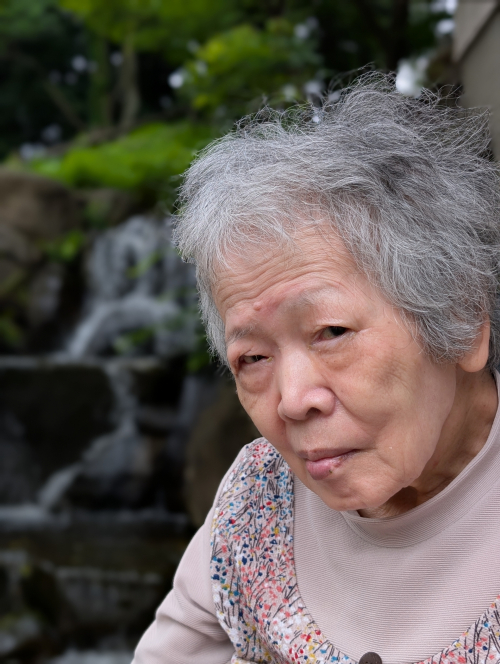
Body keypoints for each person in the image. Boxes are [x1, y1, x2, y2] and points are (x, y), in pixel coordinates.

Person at [132, 75, 500, 664]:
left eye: (331, 332)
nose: (292, 399)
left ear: (459, 318)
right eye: (253, 358)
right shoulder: (258, 502)